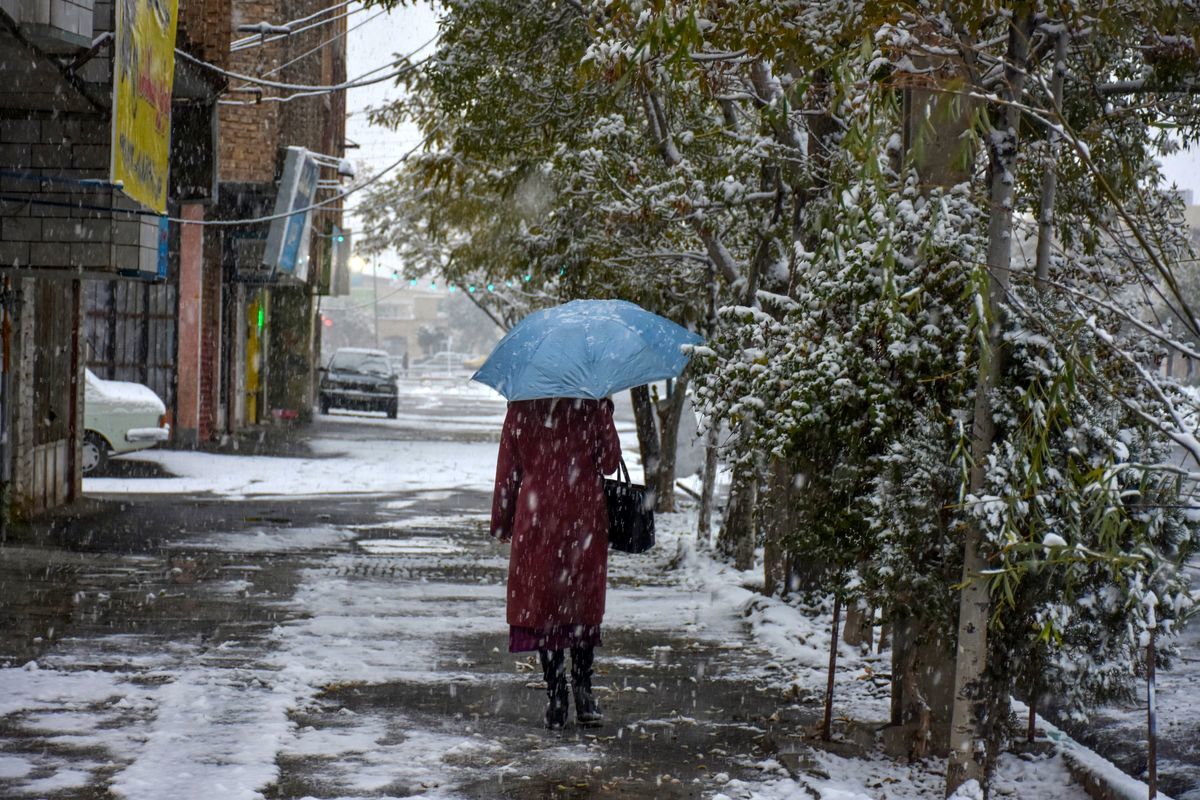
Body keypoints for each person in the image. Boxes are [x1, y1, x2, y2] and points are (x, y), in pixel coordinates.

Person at [490, 396, 622, 730]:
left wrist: (503, 520)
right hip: (583, 515)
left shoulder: (523, 404)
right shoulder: (591, 402)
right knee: (581, 606)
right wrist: (604, 413)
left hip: (538, 516)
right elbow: (609, 462)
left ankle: (556, 696)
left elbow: (508, 467)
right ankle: (584, 692)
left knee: (545, 606)